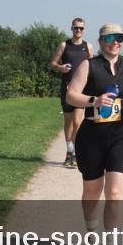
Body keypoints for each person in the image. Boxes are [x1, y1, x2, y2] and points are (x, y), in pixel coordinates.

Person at [65, 23, 123, 245]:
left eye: (119, 37)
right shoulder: (90, 64)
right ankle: (91, 240)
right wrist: (94, 100)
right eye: (109, 38)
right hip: (92, 137)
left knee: (116, 192)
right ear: (100, 41)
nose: (115, 42)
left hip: (120, 136)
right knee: (92, 192)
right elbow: (71, 95)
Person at [50, 17, 91, 168]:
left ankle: (76, 152)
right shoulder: (64, 45)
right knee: (68, 121)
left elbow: (92, 67)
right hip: (66, 89)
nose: (78, 31)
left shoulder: (88, 47)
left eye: (81, 28)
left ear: (84, 30)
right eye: (76, 28)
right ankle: (69, 152)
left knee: (77, 121)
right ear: (71, 28)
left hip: (81, 90)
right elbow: (53, 63)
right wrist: (60, 68)